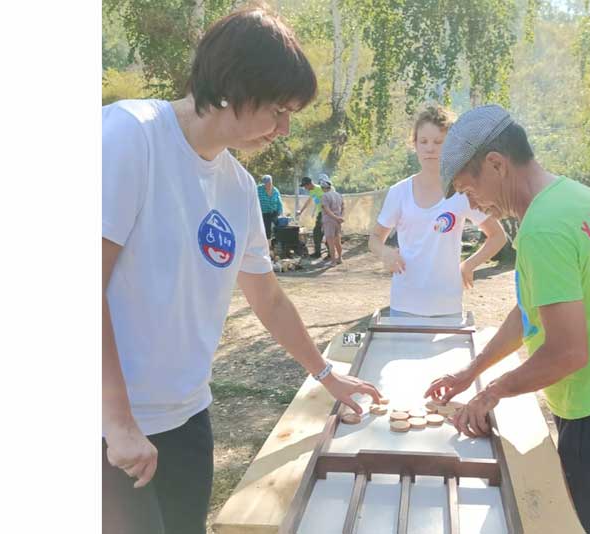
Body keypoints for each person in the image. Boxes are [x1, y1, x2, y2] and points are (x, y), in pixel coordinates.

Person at [102, 9, 381, 534]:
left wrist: (325, 373)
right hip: (107, 426)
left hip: (186, 418)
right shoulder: (130, 136)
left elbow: (269, 298)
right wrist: (116, 421)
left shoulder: (237, 187)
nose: (284, 128)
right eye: (278, 110)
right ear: (232, 87)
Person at [424, 105, 590, 534]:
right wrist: (472, 371)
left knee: (574, 526)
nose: (471, 203)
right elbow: (531, 311)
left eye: (467, 188)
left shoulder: (542, 229)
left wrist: (492, 392)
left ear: (495, 164)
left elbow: (567, 352)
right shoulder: (576, 197)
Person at [368, 105, 506, 317]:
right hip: (404, 306)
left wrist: (469, 265)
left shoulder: (463, 192)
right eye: (423, 142)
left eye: (438, 142)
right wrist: (385, 252)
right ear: (414, 144)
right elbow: (375, 238)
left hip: (448, 307)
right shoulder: (399, 192)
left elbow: (497, 236)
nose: (430, 148)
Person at [296, 174, 326, 258]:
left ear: (309, 184)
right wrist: (301, 211)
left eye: (305, 186)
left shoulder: (320, 189)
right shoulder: (311, 191)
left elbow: (327, 199)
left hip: (325, 213)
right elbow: (309, 201)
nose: (304, 188)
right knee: (318, 233)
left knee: (319, 232)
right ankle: (318, 252)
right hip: (320, 213)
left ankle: (322, 253)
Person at [320, 176, 344, 266]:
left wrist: (335, 217)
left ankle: (333, 261)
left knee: (330, 242)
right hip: (338, 221)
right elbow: (343, 207)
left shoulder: (325, 196)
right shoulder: (338, 195)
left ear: (323, 188)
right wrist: (340, 217)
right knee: (338, 240)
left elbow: (327, 209)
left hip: (329, 220)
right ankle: (340, 258)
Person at [257, 174, 283, 240]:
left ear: (271, 182)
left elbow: (279, 203)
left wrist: (280, 212)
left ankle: (277, 242)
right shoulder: (259, 189)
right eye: (266, 183)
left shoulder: (275, 191)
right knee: (267, 229)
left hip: (273, 212)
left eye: (269, 183)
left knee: (279, 227)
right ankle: (267, 244)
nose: (267, 185)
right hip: (263, 213)